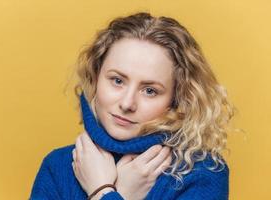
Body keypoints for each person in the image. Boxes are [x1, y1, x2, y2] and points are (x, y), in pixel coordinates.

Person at [29, 12, 235, 200]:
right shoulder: (58, 166)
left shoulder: (203, 174)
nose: (127, 103)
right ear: (95, 77)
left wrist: (102, 191)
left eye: (150, 90)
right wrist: (123, 194)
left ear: (177, 99)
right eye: (117, 81)